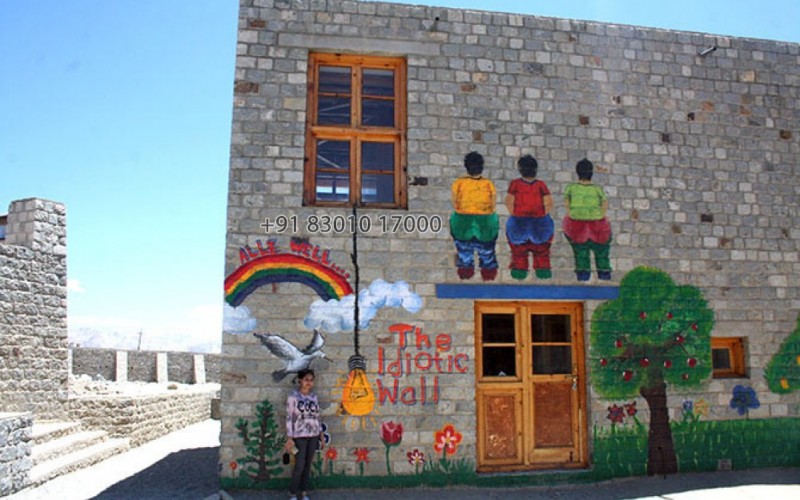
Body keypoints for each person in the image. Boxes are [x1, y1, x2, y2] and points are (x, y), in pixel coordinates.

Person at [449, 151, 499, 280]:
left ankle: (466, 271)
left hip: (463, 223)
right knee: (487, 251)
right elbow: (493, 204)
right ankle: (488, 272)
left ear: (466, 167)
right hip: (485, 223)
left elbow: (455, 203)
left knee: (464, 251)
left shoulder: (459, 183)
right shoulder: (488, 184)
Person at [505, 154, 555, 280]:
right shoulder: (541, 184)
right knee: (542, 249)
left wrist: (515, 214)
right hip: (539, 222)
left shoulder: (515, 184)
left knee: (519, 249)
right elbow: (548, 202)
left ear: (520, 169)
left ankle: (520, 270)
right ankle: (542, 269)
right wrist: (541, 214)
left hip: (520, 222)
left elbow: (509, 201)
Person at [563, 158, 612, 281]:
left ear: (577, 172)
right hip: (597, 225)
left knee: (581, 253)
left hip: (577, 225)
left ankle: (583, 276)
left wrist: (571, 213)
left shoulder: (571, 188)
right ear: (591, 173)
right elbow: (604, 202)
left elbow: (567, 201)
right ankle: (604, 275)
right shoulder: (597, 188)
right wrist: (600, 214)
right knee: (602, 252)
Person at [285, 368, 325, 500]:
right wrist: (290, 437)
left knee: (308, 465)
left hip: (313, 435)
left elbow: (317, 416)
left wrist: (321, 435)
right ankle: (293, 493)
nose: (309, 383)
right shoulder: (293, 396)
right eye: (306, 380)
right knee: (300, 465)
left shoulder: (314, 397)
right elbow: (290, 417)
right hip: (299, 436)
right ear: (300, 380)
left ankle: (303, 492)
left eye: (311, 380)